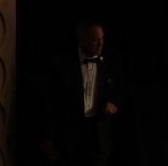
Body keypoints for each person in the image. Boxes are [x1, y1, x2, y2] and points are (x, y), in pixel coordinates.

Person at [38, 19, 123, 165]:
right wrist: (47, 137)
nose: (100, 44)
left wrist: (113, 102)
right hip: (70, 137)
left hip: (99, 135)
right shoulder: (61, 66)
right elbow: (49, 102)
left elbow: (121, 89)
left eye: (102, 39)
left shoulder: (110, 62)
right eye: (94, 40)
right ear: (81, 40)